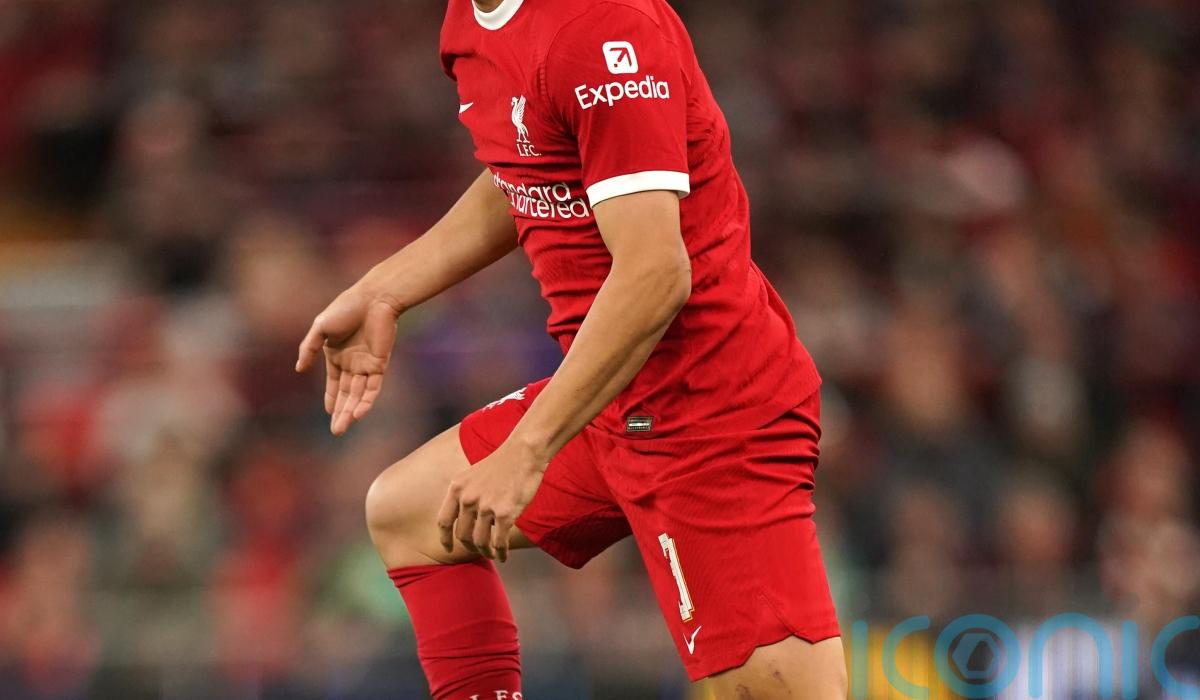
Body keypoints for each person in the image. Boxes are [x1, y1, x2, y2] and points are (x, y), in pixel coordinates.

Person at [296, 0, 846, 696]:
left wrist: (528, 450)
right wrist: (384, 290)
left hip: (711, 414)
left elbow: (656, 273)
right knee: (409, 513)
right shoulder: (472, 22)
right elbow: (530, 162)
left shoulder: (601, 26)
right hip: (613, 404)